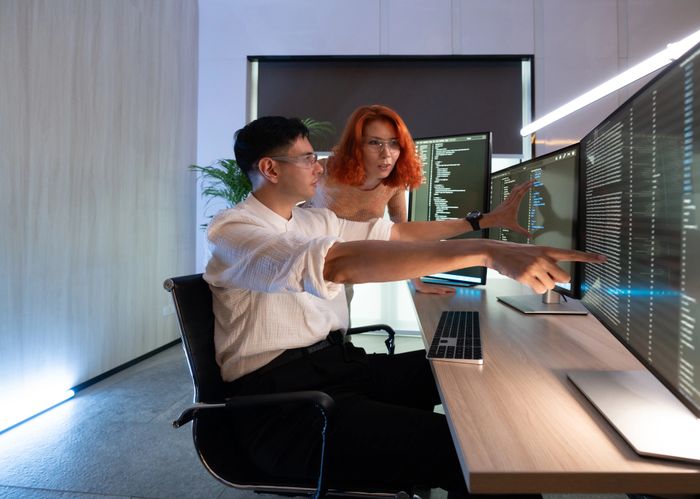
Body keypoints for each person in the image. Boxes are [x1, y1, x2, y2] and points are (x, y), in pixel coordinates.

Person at [204, 116, 605, 496]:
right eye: (308, 158)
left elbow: (397, 235)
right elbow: (336, 264)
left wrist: (481, 224)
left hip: (337, 369)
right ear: (271, 169)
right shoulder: (234, 230)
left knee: (470, 369)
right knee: (470, 452)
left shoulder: (313, 221)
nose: (319, 167)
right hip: (284, 408)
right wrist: (484, 252)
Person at [307, 104, 459, 295]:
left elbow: (403, 233)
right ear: (356, 146)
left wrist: (417, 282)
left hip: (346, 272)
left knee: (343, 310)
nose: (386, 154)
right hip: (306, 264)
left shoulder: (392, 183)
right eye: (374, 142)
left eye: (394, 143)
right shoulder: (324, 170)